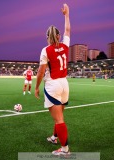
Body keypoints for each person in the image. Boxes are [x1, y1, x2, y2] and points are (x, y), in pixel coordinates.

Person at [35, 3, 70, 156]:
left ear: (47, 37)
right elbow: (68, 29)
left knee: (59, 119)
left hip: (53, 85)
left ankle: (65, 150)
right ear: (58, 36)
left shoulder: (46, 50)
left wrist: (36, 87)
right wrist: (67, 15)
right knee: (59, 116)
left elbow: (41, 71)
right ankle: (54, 137)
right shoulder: (64, 45)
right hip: (64, 84)